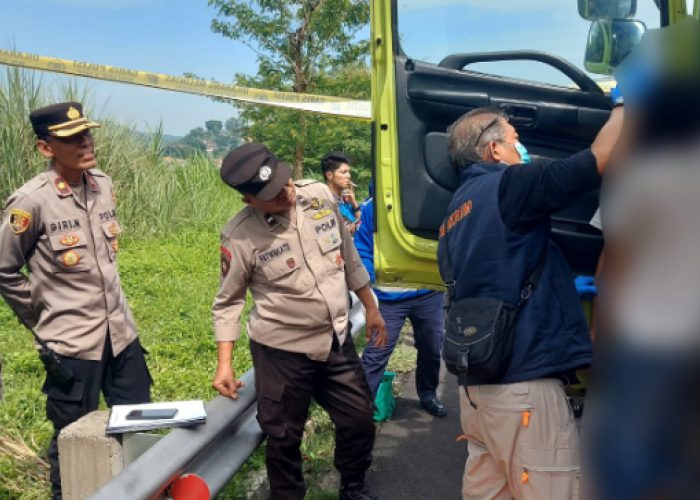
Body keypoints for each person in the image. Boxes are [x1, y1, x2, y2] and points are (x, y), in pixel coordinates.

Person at [439, 102, 624, 499]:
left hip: (477, 389)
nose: (521, 148)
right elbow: (602, 157)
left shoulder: (454, 212)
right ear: (492, 150)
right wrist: (627, 102)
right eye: (515, 140)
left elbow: (493, 274)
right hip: (522, 387)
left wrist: (558, 289)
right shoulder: (510, 185)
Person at [211, 142, 388, 500]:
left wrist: (370, 307)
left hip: (335, 339)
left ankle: (353, 486)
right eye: (273, 195)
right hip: (282, 352)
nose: (286, 194)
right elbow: (228, 303)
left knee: (359, 418)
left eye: (286, 183)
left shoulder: (320, 196)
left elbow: (349, 256)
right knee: (283, 437)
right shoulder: (240, 235)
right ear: (250, 201)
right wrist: (224, 365)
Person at [0, 102, 152, 499]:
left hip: (121, 334)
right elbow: (3, 268)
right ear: (45, 148)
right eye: (71, 138)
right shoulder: (30, 201)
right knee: (73, 440)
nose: (86, 142)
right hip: (71, 345)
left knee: (137, 427)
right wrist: (42, 316)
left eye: (87, 133)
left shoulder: (102, 183)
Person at [354, 185, 447, 417]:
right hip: (389, 298)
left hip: (428, 292)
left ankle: (427, 395)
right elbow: (362, 249)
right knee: (376, 352)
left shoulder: (431, 202)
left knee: (432, 348)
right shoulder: (373, 209)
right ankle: (359, 410)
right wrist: (374, 278)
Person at [321, 151, 362, 236]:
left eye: (349, 172)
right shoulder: (323, 201)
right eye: (343, 172)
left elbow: (362, 226)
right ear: (329, 175)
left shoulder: (347, 201)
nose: (349, 176)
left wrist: (355, 205)